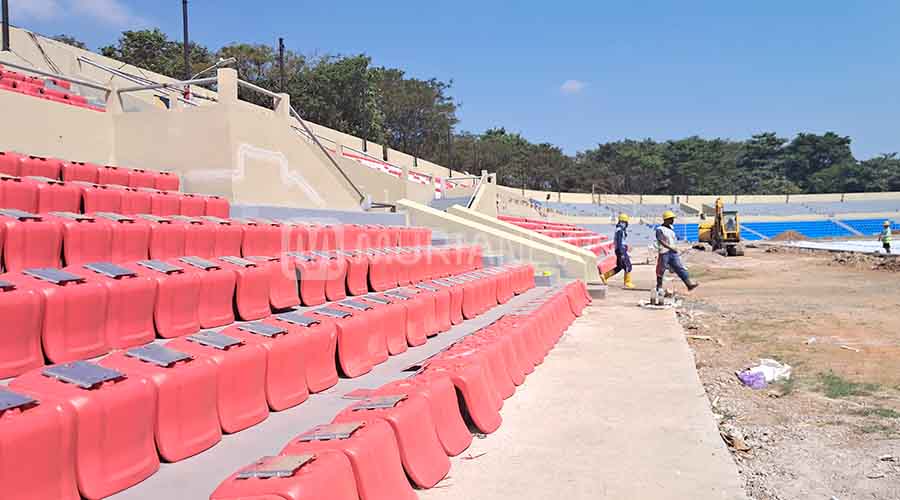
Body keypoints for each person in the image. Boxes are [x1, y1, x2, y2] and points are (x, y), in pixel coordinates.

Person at [656, 210, 699, 292]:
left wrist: (674, 248)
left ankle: (689, 284)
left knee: (680, 268)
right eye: (671, 219)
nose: (673, 220)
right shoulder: (659, 229)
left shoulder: (671, 229)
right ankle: (659, 287)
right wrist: (670, 248)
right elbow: (661, 240)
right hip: (664, 253)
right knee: (661, 269)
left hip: (673, 253)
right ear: (666, 219)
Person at [602, 213, 635, 288]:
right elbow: (619, 242)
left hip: (620, 249)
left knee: (619, 267)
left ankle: (605, 276)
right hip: (621, 250)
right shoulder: (620, 230)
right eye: (626, 222)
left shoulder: (619, 230)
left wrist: (626, 247)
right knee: (628, 265)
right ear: (624, 222)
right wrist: (622, 252)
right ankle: (627, 282)